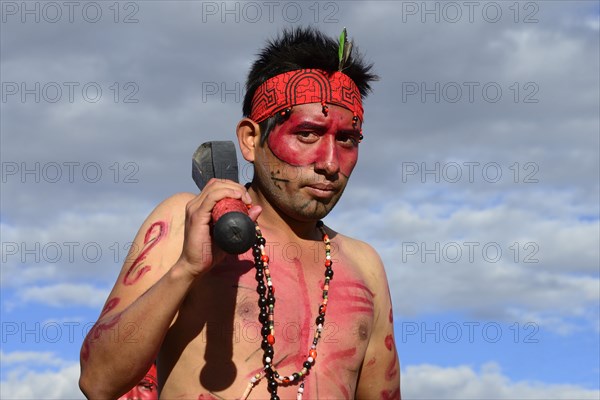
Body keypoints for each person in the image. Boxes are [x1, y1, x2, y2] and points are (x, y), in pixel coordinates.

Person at [79, 26, 400, 400]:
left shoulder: (365, 267)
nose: (330, 162)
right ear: (251, 139)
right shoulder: (187, 221)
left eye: (346, 139)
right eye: (308, 134)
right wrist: (186, 270)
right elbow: (97, 382)